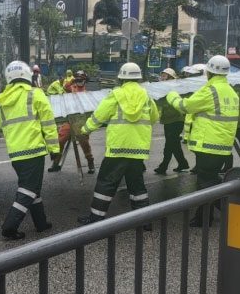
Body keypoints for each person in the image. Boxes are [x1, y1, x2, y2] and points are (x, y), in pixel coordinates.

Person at [77, 63, 159, 226]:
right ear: (138, 78)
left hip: (118, 149)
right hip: (137, 150)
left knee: (106, 182)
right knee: (136, 185)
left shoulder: (116, 94)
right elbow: (154, 117)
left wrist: (85, 129)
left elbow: (99, 115)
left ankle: (96, 218)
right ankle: (144, 221)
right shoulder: (146, 96)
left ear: (121, 78)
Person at [166, 56, 238, 226]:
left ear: (208, 72)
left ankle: (206, 218)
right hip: (222, 145)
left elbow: (186, 106)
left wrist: (171, 96)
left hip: (209, 145)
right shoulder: (230, 91)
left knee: (206, 183)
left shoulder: (212, 91)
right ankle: (220, 213)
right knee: (210, 180)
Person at [0, 61, 59, 240]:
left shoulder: (4, 100)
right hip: (33, 152)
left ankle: (41, 223)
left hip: (16, 154)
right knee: (28, 189)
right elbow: (48, 124)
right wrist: (54, 148)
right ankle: (10, 226)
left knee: (33, 188)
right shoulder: (35, 94)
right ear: (27, 75)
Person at [48, 70, 95, 174]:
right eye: (77, 79)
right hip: (69, 120)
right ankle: (55, 163)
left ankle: (90, 163)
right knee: (60, 139)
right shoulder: (72, 88)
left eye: (81, 79)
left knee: (84, 143)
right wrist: (73, 80)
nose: (79, 81)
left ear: (85, 81)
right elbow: (65, 87)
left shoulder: (87, 93)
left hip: (80, 122)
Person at [154, 68, 189, 175]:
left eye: (164, 76)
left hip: (176, 120)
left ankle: (163, 166)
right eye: (162, 75)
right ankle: (183, 163)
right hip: (168, 120)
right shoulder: (164, 88)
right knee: (174, 144)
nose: (162, 78)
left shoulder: (174, 89)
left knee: (169, 145)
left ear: (170, 77)